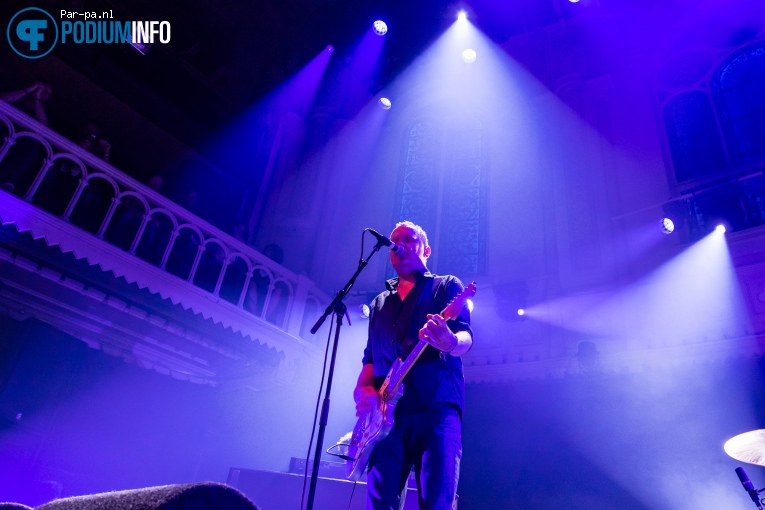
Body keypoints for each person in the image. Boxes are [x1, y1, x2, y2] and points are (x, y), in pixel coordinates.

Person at [354, 221, 473, 510]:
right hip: (384, 420)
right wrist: (362, 392)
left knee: (436, 501)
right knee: (380, 502)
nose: (399, 245)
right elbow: (371, 359)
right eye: (395, 241)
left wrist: (448, 342)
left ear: (426, 249)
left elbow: (466, 337)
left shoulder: (446, 286)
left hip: (435, 408)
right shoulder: (380, 303)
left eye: (409, 239)